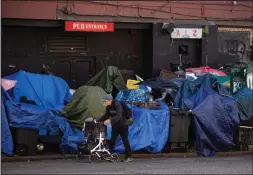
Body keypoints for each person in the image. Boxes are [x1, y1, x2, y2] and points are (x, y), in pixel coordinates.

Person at [98, 94, 133, 162]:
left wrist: (110, 120)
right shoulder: (108, 106)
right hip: (115, 125)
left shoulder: (117, 104)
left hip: (123, 124)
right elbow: (106, 115)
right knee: (112, 140)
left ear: (109, 100)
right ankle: (110, 154)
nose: (104, 102)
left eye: (105, 101)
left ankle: (129, 156)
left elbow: (119, 116)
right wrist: (97, 120)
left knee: (125, 140)